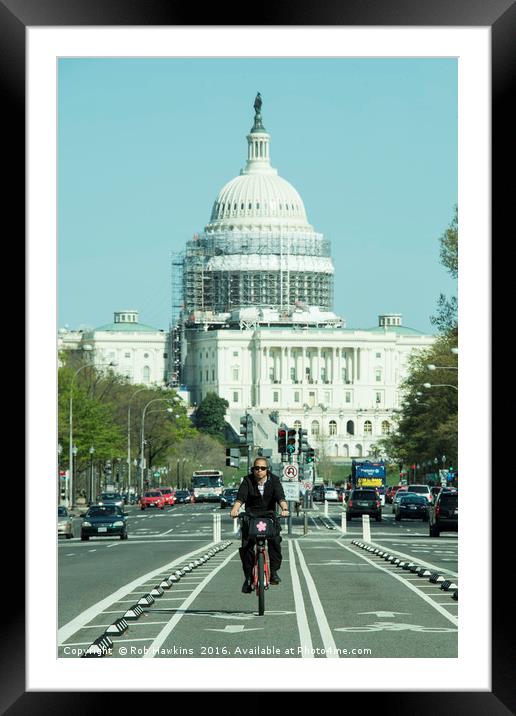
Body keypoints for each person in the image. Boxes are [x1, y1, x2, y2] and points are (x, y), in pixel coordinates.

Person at [230, 457, 289, 593]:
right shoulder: (247, 480)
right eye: (256, 468)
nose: (259, 471)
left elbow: (280, 497)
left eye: (262, 468)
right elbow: (241, 497)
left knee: (275, 542)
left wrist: (284, 509)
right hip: (251, 517)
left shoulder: (274, 480)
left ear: (267, 470)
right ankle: (248, 578)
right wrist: (235, 509)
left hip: (269, 517)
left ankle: (273, 572)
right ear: (253, 470)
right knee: (246, 547)